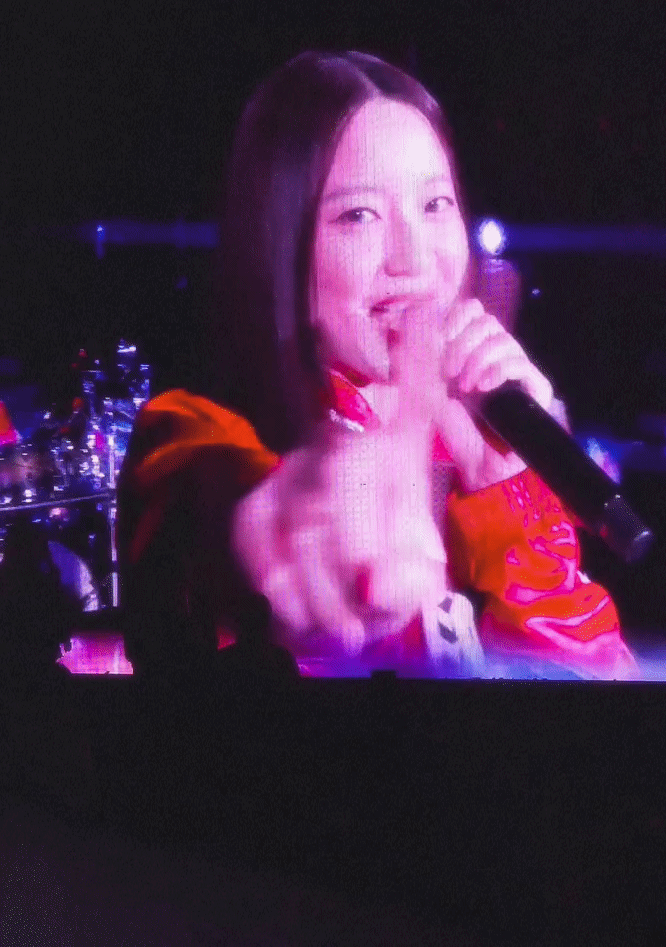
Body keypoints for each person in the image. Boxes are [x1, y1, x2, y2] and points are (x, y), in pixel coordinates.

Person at [117, 51, 638, 679]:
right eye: (359, 215)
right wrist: (289, 520)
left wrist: (509, 497)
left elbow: (590, 696)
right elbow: (206, 497)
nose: (415, 259)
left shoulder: (475, 438)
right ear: (281, 245)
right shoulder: (191, 430)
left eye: (436, 204)